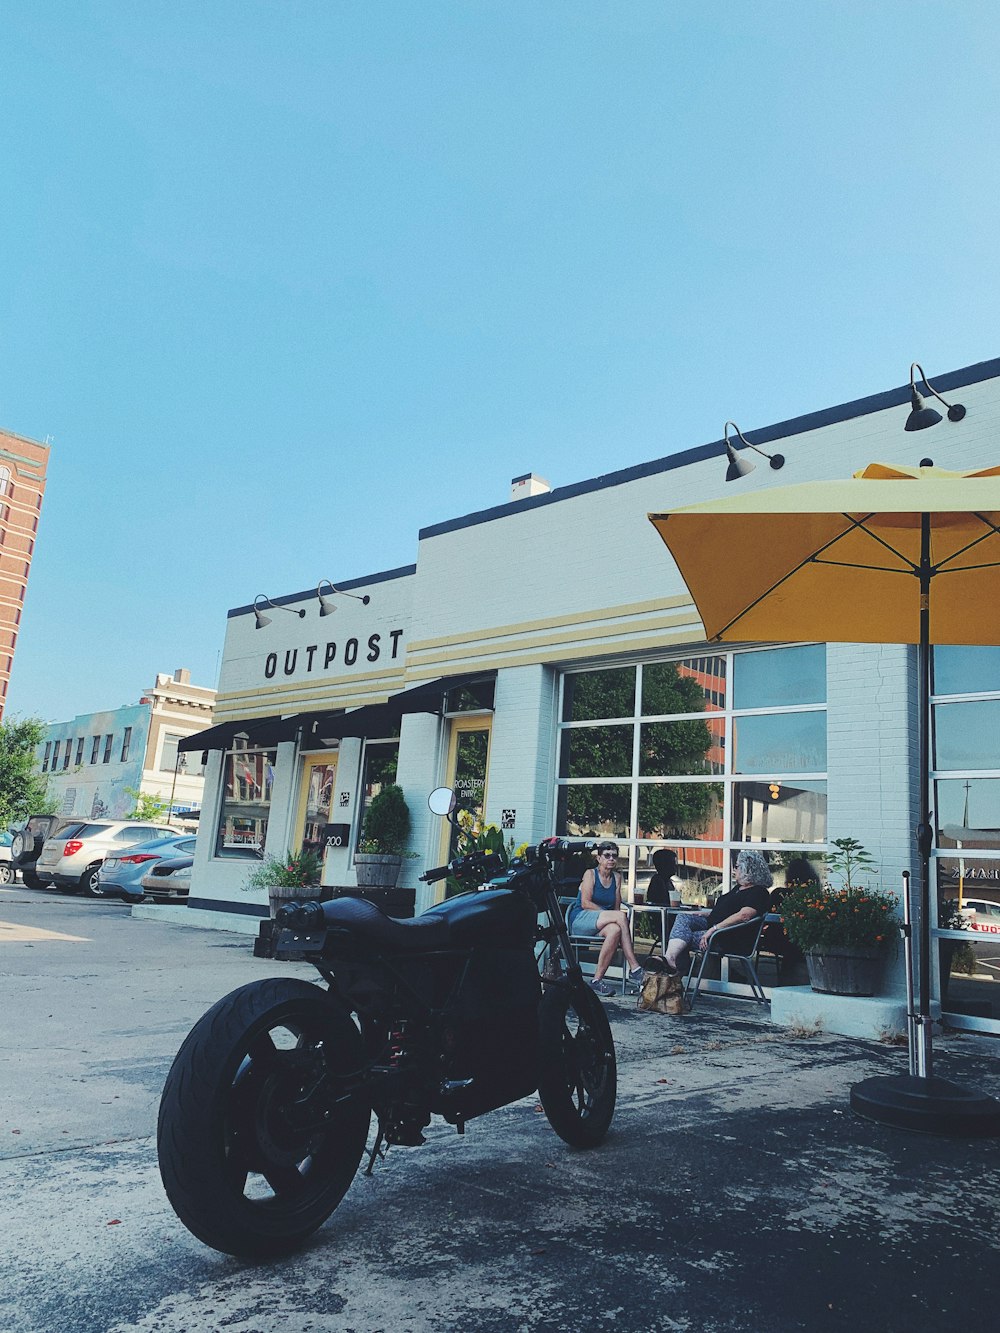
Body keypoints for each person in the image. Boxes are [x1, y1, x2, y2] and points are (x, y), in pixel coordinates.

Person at [662, 849, 773, 975]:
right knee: (683, 918)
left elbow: (744, 915)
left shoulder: (759, 892)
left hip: (729, 937)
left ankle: (676, 973)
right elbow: (726, 911)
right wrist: (708, 914)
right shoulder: (738, 888)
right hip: (715, 928)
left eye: (736, 867)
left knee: (682, 939)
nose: (734, 870)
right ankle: (670, 961)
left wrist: (714, 929)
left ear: (747, 869)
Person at [567, 840, 645, 995]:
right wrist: (609, 915)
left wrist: (611, 916)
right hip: (581, 919)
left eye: (614, 856)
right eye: (607, 855)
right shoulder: (590, 874)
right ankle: (634, 967)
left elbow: (616, 907)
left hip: (602, 922)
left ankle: (596, 980)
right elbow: (585, 903)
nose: (611, 859)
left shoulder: (616, 877)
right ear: (599, 858)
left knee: (616, 929)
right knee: (620, 917)